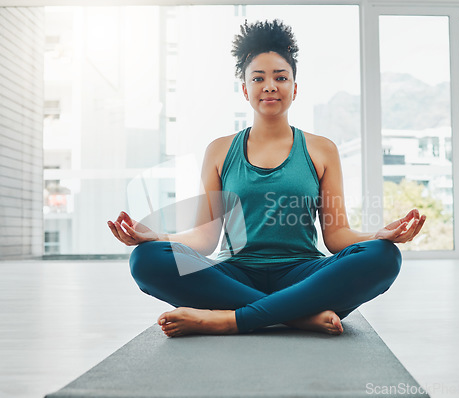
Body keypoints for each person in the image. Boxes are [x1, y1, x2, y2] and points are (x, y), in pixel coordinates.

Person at [107, 19, 426, 338]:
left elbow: (336, 236)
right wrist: (159, 238)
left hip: (304, 276)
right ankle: (296, 318)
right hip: (233, 275)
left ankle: (228, 319)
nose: (270, 86)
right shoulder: (219, 150)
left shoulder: (321, 149)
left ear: (294, 88)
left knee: (383, 257)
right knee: (146, 260)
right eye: (258, 78)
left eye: (280, 77)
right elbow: (205, 239)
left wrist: (377, 235)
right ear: (245, 90)